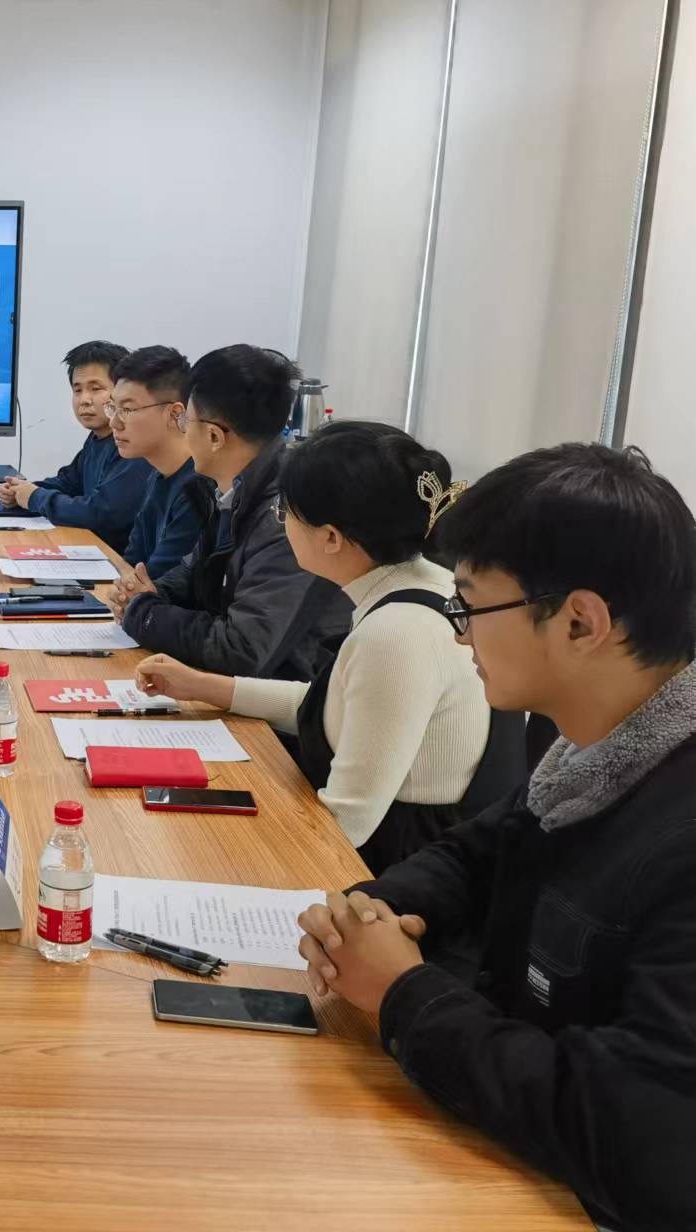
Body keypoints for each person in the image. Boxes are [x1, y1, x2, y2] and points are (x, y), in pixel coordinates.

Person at [295, 443, 696, 1231]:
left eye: (471, 608)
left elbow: (648, 1144)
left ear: (580, 621)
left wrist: (403, 996)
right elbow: (479, 852)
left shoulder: (678, 824)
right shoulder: (591, 745)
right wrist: (374, 912)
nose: (459, 637)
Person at [135, 421, 523, 871]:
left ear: (331, 538)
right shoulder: (426, 582)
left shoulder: (396, 633)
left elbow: (346, 823)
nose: (282, 524)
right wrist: (202, 686)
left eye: (286, 512)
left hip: (395, 874)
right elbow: (338, 706)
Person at [120, 345, 350, 681]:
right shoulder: (226, 491)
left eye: (186, 420)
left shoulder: (288, 516)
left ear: (214, 436)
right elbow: (194, 573)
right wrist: (151, 593)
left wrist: (145, 613)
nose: (183, 430)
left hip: (286, 699)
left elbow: (243, 650)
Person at [0, 340, 155, 554]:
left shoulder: (132, 446)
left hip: (119, 562)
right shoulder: (97, 438)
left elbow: (100, 513)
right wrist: (20, 489)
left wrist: (34, 497)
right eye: (77, 390)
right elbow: (69, 482)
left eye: (95, 389)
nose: (84, 400)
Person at [100, 344, 204, 583]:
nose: (114, 423)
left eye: (127, 409)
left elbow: (158, 580)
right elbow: (133, 561)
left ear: (175, 413)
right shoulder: (157, 475)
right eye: (113, 408)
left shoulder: (199, 487)